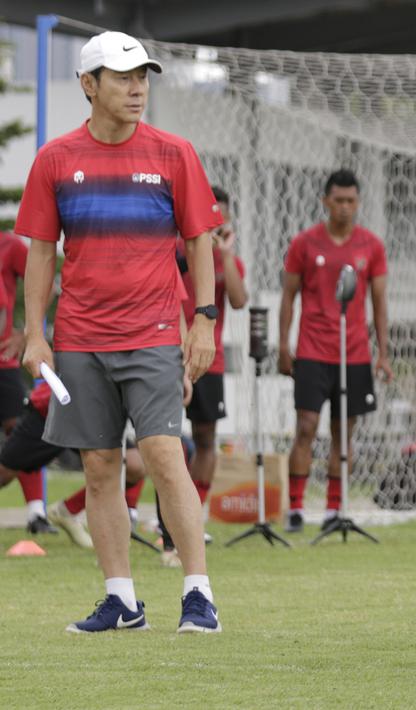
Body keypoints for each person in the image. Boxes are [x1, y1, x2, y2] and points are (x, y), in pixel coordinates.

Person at [16, 31, 222, 633]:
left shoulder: (173, 152)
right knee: (100, 466)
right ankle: (122, 600)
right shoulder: (55, 159)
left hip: (156, 330)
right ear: (89, 85)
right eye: (123, 78)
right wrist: (35, 333)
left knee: (162, 453)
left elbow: (199, 239)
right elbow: (41, 253)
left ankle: (198, 593)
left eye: (143, 77)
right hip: (78, 338)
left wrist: (203, 320)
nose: (138, 89)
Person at [278, 169, 392, 533]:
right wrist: (283, 345)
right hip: (312, 350)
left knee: (344, 431)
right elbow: (288, 297)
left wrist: (384, 353)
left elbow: (379, 301)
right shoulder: (304, 243)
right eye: (338, 200)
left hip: (354, 353)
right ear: (326, 201)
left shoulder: (371, 246)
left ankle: (333, 509)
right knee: (306, 427)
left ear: (358, 203)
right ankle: (295, 508)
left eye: (351, 201)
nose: (345, 207)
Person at [0, 382, 159, 550]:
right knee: (4, 474)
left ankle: (66, 511)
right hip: (53, 411)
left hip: (95, 419)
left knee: (135, 467)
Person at [177, 185, 247, 524]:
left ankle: (194, 515)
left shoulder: (228, 259)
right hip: (169, 355)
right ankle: (163, 515)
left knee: (206, 439)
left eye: (221, 215)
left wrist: (228, 255)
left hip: (209, 360)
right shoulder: (178, 251)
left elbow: (238, 300)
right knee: (160, 440)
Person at [0, 230, 49, 533]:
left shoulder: (10, 245)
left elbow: (44, 284)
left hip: (3, 362)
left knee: (19, 431)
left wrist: (27, 333)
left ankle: (36, 513)